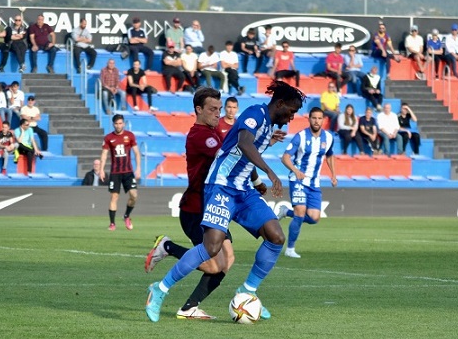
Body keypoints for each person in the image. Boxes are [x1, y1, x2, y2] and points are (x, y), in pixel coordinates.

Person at [144, 80, 304, 323]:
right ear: (279, 103)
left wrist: (267, 147)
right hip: (220, 186)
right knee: (212, 248)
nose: (292, 117)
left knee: (276, 236)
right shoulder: (255, 113)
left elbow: (244, 149)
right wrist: (270, 173)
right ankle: (160, 289)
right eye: (291, 111)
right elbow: (243, 143)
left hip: (243, 190)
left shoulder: (268, 125)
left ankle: (247, 291)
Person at [144, 87, 257, 319]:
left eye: (219, 108)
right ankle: (167, 247)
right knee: (214, 265)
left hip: (215, 209)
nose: (218, 113)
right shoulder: (200, 135)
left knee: (229, 260)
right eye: (212, 109)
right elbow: (229, 158)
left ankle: (189, 308)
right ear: (199, 109)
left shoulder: (215, 133)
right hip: (195, 210)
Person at [277, 107, 337, 258]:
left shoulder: (328, 138)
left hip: (314, 183)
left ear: (323, 120)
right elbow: (285, 157)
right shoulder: (301, 137)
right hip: (297, 180)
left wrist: (333, 175)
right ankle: (290, 249)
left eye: (319, 118)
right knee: (300, 212)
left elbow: (329, 156)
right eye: (314, 118)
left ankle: (285, 212)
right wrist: (296, 171)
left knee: (314, 218)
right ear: (309, 119)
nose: (317, 121)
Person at [100, 114, 141, 231]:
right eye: (116, 123)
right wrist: (102, 169)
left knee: (134, 195)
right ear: (113, 124)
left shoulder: (130, 136)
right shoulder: (108, 138)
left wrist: (138, 168)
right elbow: (104, 154)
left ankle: (126, 216)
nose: (118, 125)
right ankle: (112, 223)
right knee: (114, 197)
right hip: (115, 172)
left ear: (123, 123)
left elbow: (137, 153)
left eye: (120, 123)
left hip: (128, 172)